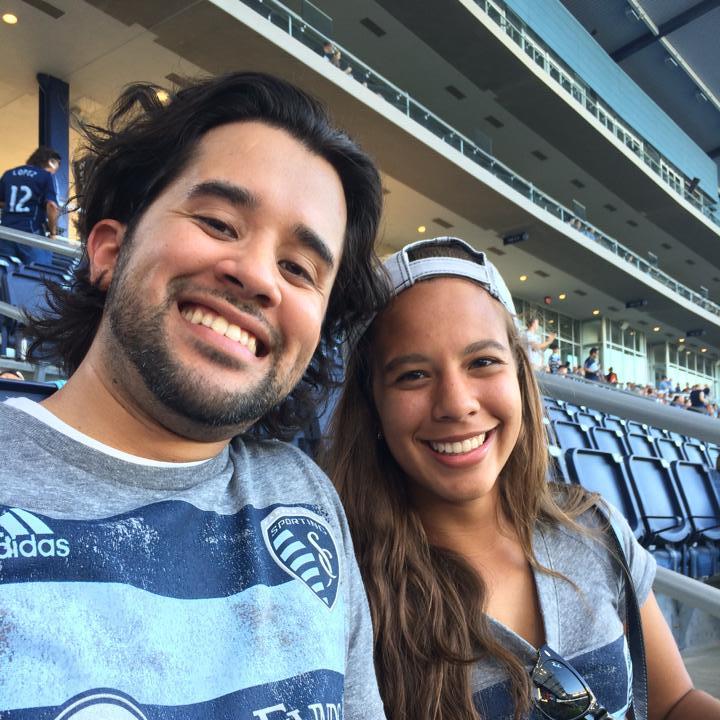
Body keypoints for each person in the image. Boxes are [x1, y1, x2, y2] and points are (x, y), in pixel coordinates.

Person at [0, 73, 388, 718]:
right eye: (218, 222)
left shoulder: (307, 499)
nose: (259, 275)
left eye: (299, 270)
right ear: (107, 250)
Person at [325, 236, 720, 720]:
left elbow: (673, 703)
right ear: (373, 406)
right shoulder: (343, 592)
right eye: (413, 375)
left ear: (520, 378)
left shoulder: (596, 528)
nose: (456, 403)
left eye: (482, 362)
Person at [0, 145, 61, 265]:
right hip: (31, 232)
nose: (54, 172)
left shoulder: (9, 174)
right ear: (50, 162)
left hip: (5, 233)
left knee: (5, 273)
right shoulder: (46, 176)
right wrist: (53, 233)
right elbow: (52, 206)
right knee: (39, 275)